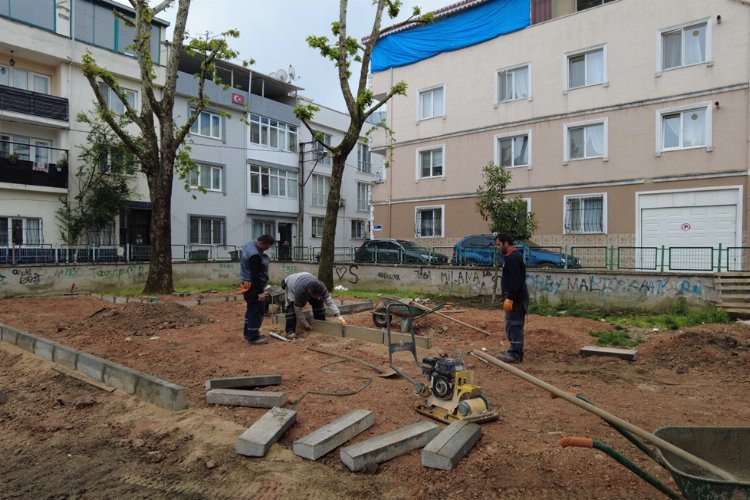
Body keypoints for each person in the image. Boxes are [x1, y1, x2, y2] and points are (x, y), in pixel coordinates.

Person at [495, 232, 529, 363]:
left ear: (505, 243)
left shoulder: (513, 258)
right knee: (512, 326)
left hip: (516, 300)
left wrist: (510, 298)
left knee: (514, 326)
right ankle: (514, 350)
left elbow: (516, 281)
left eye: (499, 245)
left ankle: (515, 354)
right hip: (515, 298)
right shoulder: (511, 257)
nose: (498, 248)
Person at [282, 271, 346, 338]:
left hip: (306, 277)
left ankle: (320, 322)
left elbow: (329, 301)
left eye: (319, 295)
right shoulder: (300, 291)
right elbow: (297, 309)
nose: (318, 297)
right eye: (315, 296)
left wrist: (338, 315)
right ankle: (290, 331)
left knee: (318, 301)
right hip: (291, 283)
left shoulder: (321, 286)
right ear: (309, 293)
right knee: (291, 307)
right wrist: (305, 324)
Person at [239, 234, 275, 345]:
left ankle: (248, 333)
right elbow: (255, 275)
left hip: (245, 283)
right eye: (267, 247)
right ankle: (253, 337)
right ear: (261, 243)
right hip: (253, 285)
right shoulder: (254, 255)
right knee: (257, 310)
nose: (267, 249)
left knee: (251, 308)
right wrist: (260, 292)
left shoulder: (249, 243)